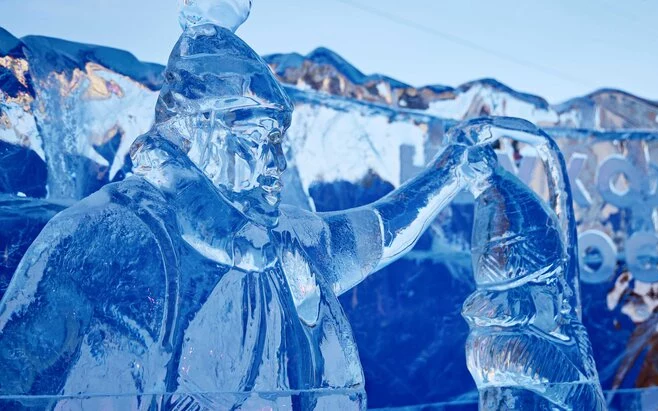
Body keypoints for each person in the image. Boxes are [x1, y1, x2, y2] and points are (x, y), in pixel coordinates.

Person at [0, 2, 492, 409]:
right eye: (257, 137)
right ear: (197, 131)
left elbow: (378, 232)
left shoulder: (284, 244)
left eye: (280, 141)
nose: (277, 161)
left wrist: (451, 169)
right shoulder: (105, 237)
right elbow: (17, 381)